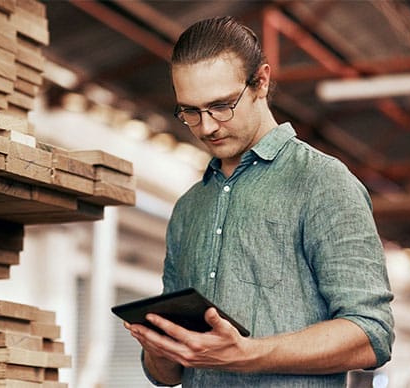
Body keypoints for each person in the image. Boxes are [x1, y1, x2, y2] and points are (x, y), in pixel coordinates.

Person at [123, 16, 395, 387]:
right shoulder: (189, 207)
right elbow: (166, 376)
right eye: (189, 111)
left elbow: (371, 334)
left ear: (261, 82)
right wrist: (159, 347)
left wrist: (246, 355)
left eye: (221, 106)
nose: (206, 127)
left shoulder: (322, 183)